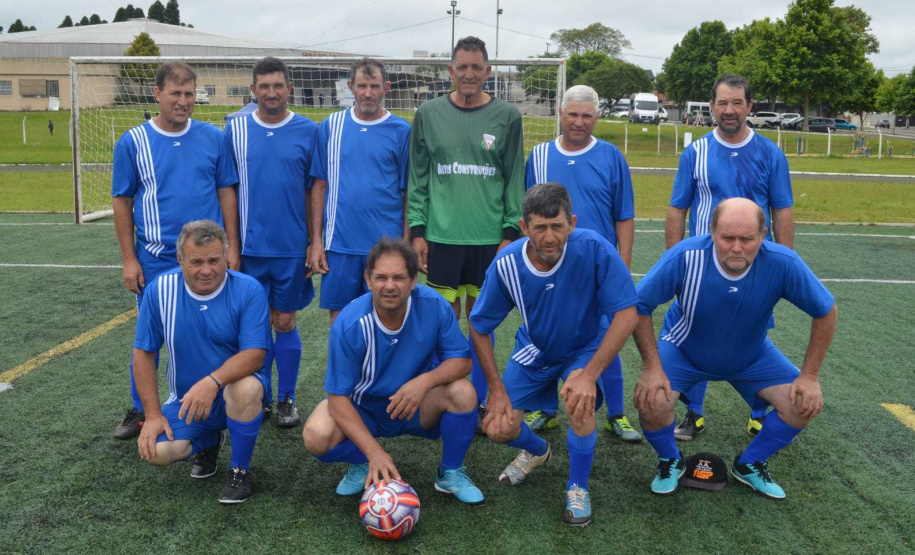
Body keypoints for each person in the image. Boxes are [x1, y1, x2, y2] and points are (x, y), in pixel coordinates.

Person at [633, 198, 836, 499]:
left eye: (747, 239)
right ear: (712, 231)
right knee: (652, 400)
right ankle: (669, 460)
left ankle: (750, 463)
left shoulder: (783, 262)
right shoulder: (686, 256)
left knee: (803, 403)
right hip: (684, 351)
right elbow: (638, 305)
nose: (737, 248)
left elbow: (826, 311)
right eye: (728, 237)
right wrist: (651, 368)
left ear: (763, 235)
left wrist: (809, 376)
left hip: (750, 357)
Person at [469, 183, 639, 525]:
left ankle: (578, 485)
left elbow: (628, 313)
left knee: (579, 399)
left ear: (571, 223)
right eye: (540, 227)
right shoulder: (506, 264)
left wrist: (590, 374)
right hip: (535, 348)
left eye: (557, 226)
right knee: (497, 427)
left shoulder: (593, 248)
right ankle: (537, 452)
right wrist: (497, 390)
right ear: (524, 227)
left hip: (583, 348)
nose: (549, 237)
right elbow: (479, 326)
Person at [111, 61, 240, 439]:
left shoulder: (214, 137)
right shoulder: (133, 141)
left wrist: (231, 247)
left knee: (214, 328)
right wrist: (129, 259)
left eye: (189, 94)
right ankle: (142, 411)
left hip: (207, 258)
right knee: (149, 335)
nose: (183, 102)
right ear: (157, 95)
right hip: (156, 257)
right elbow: (123, 202)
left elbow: (226, 191)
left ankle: (220, 405)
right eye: (175, 94)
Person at [302, 239, 484, 505]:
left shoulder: (433, 306)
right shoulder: (350, 323)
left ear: (413, 280)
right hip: (363, 409)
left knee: (463, 392)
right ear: (368, 279)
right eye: (381, 277)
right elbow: (337, 398)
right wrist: (374, 451)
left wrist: (424, 382)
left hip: (416, 405)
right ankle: (362, 462)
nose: (389, 285)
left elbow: (462, 361)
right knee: (316, 434)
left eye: (399, 277)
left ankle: (450, 473)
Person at [665, 73, 795, 441]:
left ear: (750, 106)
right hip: (704, 266)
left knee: (751, 334)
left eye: (737, 102)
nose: (729, 110)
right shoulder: (695, 153)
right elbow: (678, 209)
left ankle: (759, 410)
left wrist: (783, 265)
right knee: (695, 334)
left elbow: (782, 211)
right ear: (711, 107)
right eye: (722, 103)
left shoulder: (771, 153)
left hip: (754, 264)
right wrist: (676, 262)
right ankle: (693, 413)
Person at [408, 35, 525, 413]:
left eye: (477, 67)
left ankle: (474, 400)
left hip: (488, 240)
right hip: (442, 237)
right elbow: (418, 178)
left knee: (480, 324)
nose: (470, 74)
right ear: (450, 71)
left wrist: (510, 233)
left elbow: (514, 178)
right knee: (443, 323)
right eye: (462, 67)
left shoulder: (508, 117)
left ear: (488, 71)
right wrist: (418, 230)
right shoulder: (428, 114)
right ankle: (441, 396)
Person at [524, 84, 640, 442]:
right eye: (572, 114)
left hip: (598, 269)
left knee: (607, 335)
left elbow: (624, 215)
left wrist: (621, 264)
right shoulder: (539, 154)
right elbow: (529, 213)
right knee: (546, 333)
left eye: (586, 115)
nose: (578, 122)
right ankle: (546, 409)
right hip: (550, 264)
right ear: (560, 114)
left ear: (597, 117)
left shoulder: (611, 156)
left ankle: (617, 414)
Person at [134, 220, 269, 504]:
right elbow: (143, 353)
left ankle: (240, 469)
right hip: (188, 400)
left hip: (233, 391)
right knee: (157, 453)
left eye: (214, 260)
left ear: (225, 257)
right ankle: (210, 440)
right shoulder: (160, 291)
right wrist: (153, 415)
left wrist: (212, 381)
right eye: (196, 262)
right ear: (180, 260)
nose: (207, 270)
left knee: (243, 389)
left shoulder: (248, 290)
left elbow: (255, 355)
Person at [224, 57, 318, 428]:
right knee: (254, 326)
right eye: (264, 86)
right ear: (253, 90)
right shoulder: (235, 129)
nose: (271, 92)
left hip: (291, 248)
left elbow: (315, 191)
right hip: (248, 249)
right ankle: (259, 393)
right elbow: (227, 190)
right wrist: (231, 246)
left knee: (284, 320)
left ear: (289, 88)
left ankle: (287, 398)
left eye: (278, 85)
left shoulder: (309, 131)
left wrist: (315, 242)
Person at [308, 57, 411, 324]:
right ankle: (346, 368)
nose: (368, 93)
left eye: (374, 86)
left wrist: (408, 242)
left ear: (386, 87)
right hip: (340, 244)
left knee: (388, 318)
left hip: (386, 245)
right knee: (341, 319)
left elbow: (409, 191)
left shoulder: (402, 131)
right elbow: (319, 185)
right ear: (350, 86)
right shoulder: (331, 127)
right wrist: (317, 241)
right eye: (362, 86)